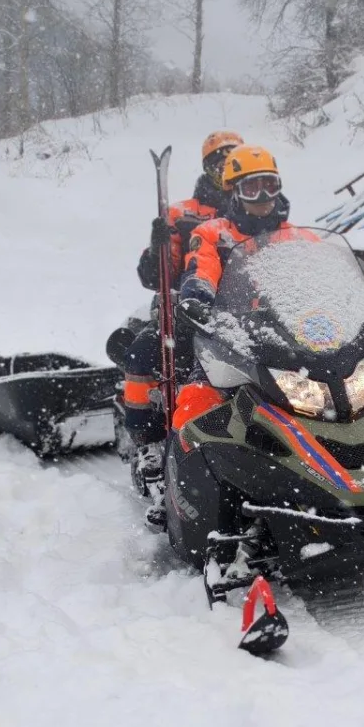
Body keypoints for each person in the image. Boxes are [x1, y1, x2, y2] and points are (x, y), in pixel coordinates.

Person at [122, 130, 244, 499]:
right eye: (218, 159)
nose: (225, 165)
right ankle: (147, 441)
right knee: (142, 354)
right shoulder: (182, 213)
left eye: (232, 157)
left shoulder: (252, 208)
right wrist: (157, 246)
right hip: (185, 307)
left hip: (241, 312)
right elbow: (153, 275)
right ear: (207, 167)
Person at [172, 145, 317, 430]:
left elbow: (328, 275)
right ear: (235, 191)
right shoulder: (214, 234)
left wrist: (363, 289)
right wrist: (198, 297)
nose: (263, 197)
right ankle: (184, 460)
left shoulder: (300, 237)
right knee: (195, 406)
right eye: (252, 188)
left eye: (269, 186)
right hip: (229, 339)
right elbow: (201, 269)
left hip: (293, 341)